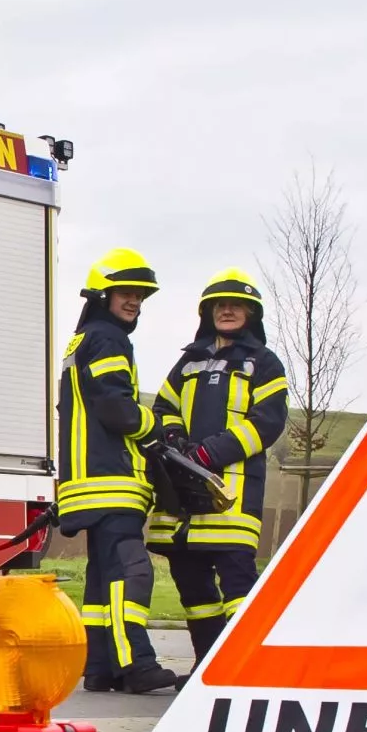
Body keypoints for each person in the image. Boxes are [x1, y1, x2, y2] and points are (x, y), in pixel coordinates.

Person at [57, 249, 182, 694]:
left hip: (85, 483)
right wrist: (155, 429)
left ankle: (100, 666)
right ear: (102, 294)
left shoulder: (81, 341)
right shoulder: (109, 339)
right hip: (111, 479)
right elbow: (117, 410)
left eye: (140, 295)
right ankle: (136, 664)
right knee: (131, 568)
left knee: (103, 576)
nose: (135, 302)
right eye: (126, 293)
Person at [151, 268, 290, 662]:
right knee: (194, 592)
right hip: (184, 504)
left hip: (232, 500)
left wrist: (209, 454)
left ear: (251, 313)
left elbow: (268, 422)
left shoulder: (264, 363)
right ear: (207, 312)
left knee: (238, 585)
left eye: (235, 305)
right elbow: (163, 409)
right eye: (219, 305)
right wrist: (175, 441)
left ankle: (245, 666)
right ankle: (207, 666)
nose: (226, 311)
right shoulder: (187, 363)